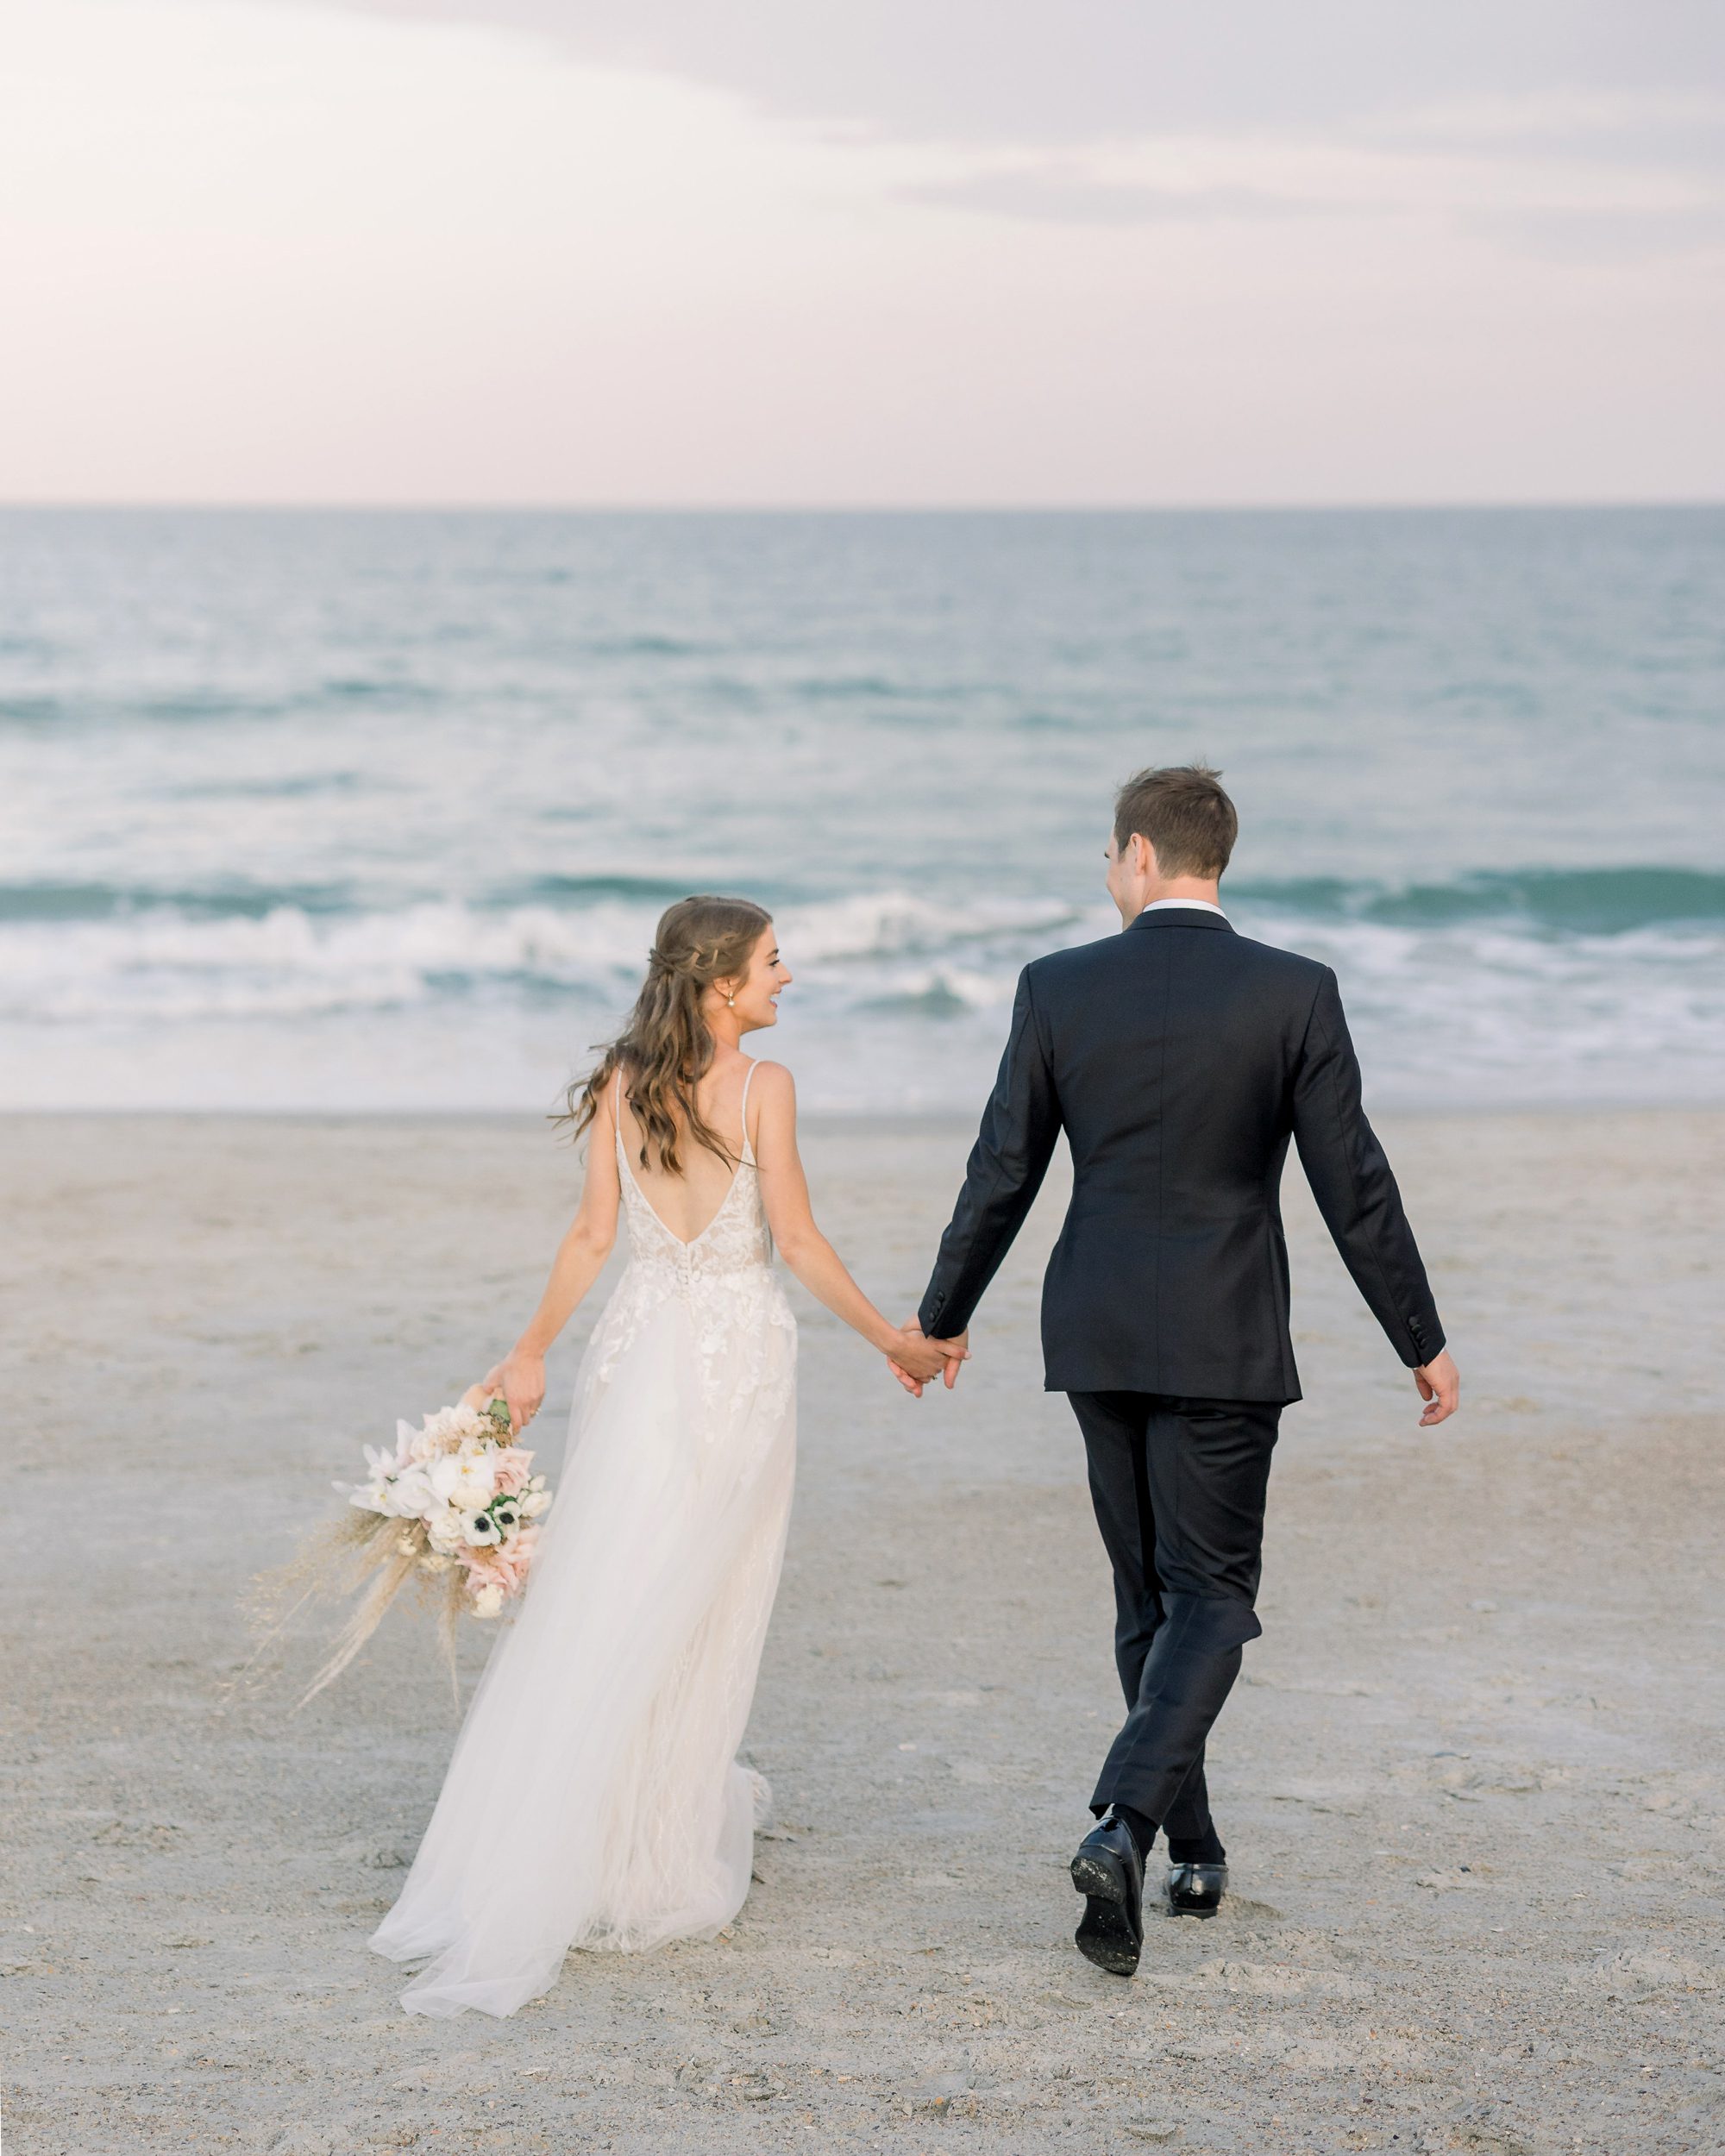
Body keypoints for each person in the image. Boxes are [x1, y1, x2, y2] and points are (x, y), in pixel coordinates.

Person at [894, 765, 1458, 1977]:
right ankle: (1128, 1820)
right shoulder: (1294, 992)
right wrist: (1419, 1335)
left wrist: (941, 1319)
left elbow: (1004, 1171)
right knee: (1212, 1593)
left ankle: (1188, 1849)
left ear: (1141, 855)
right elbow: (1351, 1181)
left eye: (1108, 859)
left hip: (1095, 1325)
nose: (1107, 879)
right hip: (1225, 1335)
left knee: (1148, 1594)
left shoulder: (1056, 987)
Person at [371, 894, 959, 2016]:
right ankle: (650, 1855)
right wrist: (895, 1338)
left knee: (615, 1586)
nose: (788, 978)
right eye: (774, 963)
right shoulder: (763, 1088)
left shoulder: (621, 1085)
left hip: (636, 1352)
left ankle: (580, 1832)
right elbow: (796, 1241)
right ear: (722, 982)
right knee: (701, 1597)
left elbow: (594, 1235)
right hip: (734, 1361)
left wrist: (530, 1352)